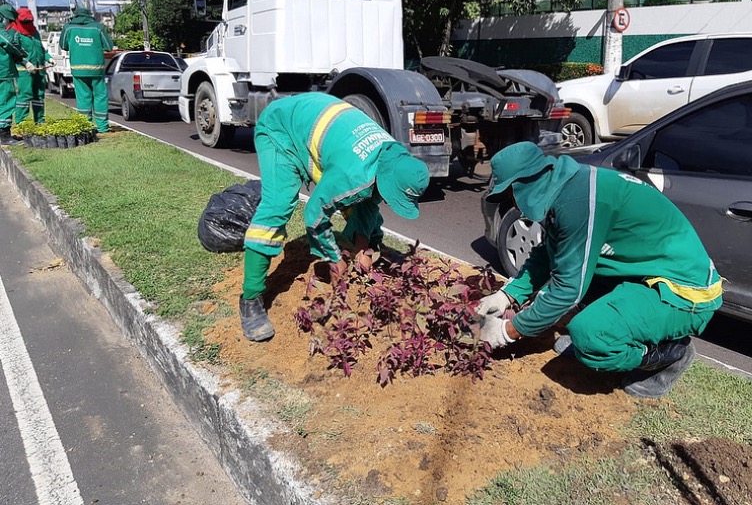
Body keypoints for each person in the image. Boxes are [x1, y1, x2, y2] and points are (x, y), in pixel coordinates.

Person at [476, 142, 723, 398]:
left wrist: (507, 332)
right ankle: (613, 325)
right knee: (579, 284)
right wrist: (508, 295)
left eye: (510, 194)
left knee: (591, 335)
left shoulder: (579, 201)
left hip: (683, 292)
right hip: (645, 274)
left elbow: (567, 292)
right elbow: (549, 254)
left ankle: (668, 355)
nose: (512, 201)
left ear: (525, 183)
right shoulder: (564, 187)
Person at [239, 92, 431, 342]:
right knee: (278, 205)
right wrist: (333, 258)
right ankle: (250, 298)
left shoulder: (391, 154)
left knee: (361, 199)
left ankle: (368, 247)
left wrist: (364, 249)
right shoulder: (353, 174)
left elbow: (370, 201)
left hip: (315, 125)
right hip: (281, 130)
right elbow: (314, 213)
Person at [59, 7, 113, 133]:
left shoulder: (68, 28)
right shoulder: (97, 27)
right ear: (89, 15)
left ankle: (86, 125)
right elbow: (109, 47)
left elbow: (63, 45)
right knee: (100, 96)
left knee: (83, 97)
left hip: (78, 69)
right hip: (96, 69)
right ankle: (103, 127)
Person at [9, 8, 49, 125]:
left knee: (39, 96)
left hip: (39, 69)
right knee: (25, 95)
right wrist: (25, 62)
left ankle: (40, 121)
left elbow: (40, 49)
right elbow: (15, 52)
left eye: (29, 21)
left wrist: (48, 57)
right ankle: (22, 122)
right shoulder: (14, 33)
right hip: (24, 70)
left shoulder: (35, 32)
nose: (27, 24)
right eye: (24, 22)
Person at [0, 4, 29, 145]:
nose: (10, 25)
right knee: (6, 101)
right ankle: (4, 134)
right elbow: (10, 45)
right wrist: (23, 60)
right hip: (4, 72)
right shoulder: (2, 33)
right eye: (9, 21)